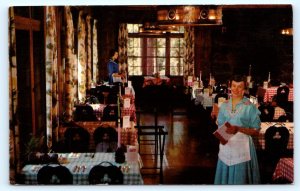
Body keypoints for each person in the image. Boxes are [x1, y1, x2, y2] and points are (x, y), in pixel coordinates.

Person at [214, 75, 261, 184]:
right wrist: (221, 138)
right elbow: (221, 127)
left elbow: (256, 130)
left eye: (239, 87)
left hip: (242, 148)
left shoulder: (250, 106)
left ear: (244, 90)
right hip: (226, 148)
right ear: (230, 87)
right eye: (234, 86)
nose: (236, 89)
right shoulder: (224, 105)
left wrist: (238, 129)